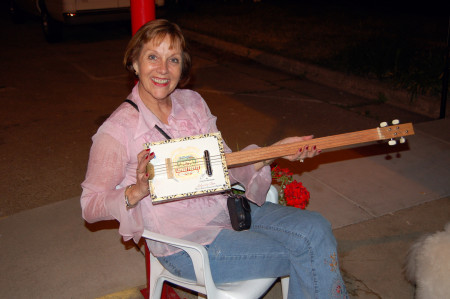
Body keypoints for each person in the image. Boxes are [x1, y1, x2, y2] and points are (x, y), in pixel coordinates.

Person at [81, 19, 348, 298]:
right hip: (187, 245)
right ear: (135, 63)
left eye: (172, 59)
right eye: (152, 57)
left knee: (316, 229)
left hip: (227, 212)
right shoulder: (117, 130)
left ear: (182, 66)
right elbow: (90, 205)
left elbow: (225, 166)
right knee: (305, 251)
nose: (162, 69)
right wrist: (137, 191)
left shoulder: (193, 103)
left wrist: (275, 151)